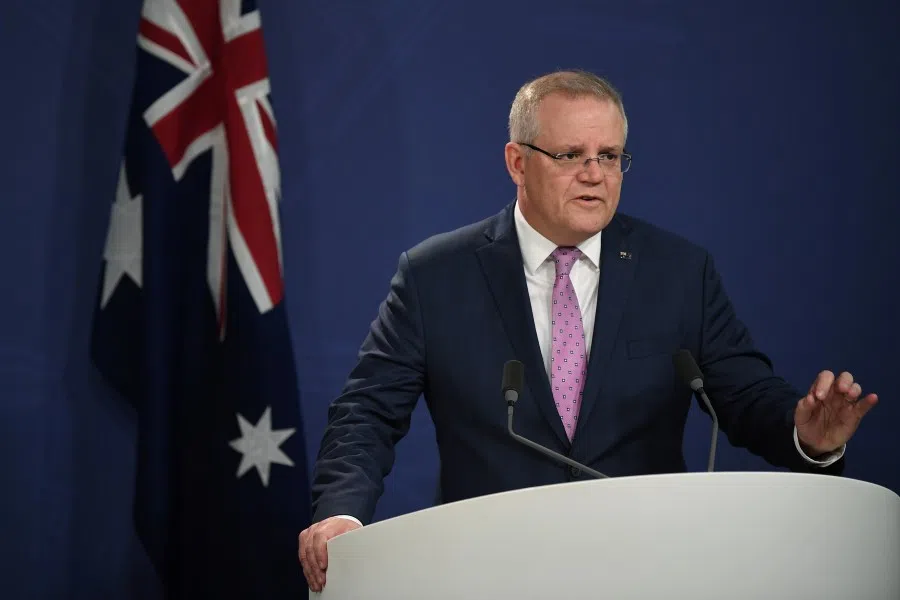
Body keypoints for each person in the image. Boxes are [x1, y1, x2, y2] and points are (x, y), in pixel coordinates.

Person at [297, 70, 878, 592]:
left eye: (610, 156)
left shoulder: (678, 272)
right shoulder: (435, 276)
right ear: (517, 162)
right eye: (571, 154)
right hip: (490, 571)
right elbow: (368, 411)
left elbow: (745, 394)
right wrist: (343, 512)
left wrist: (807, 435)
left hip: (646, 569)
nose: (595, 175)